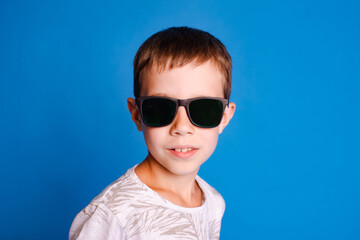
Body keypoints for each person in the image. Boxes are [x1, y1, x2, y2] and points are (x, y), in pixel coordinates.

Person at [69, 26, 236, 240]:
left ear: (224, 117)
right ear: (137, 115)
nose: (181, 127)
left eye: (204, 109)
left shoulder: (213, 201)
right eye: (160, 108)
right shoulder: (113, 215)